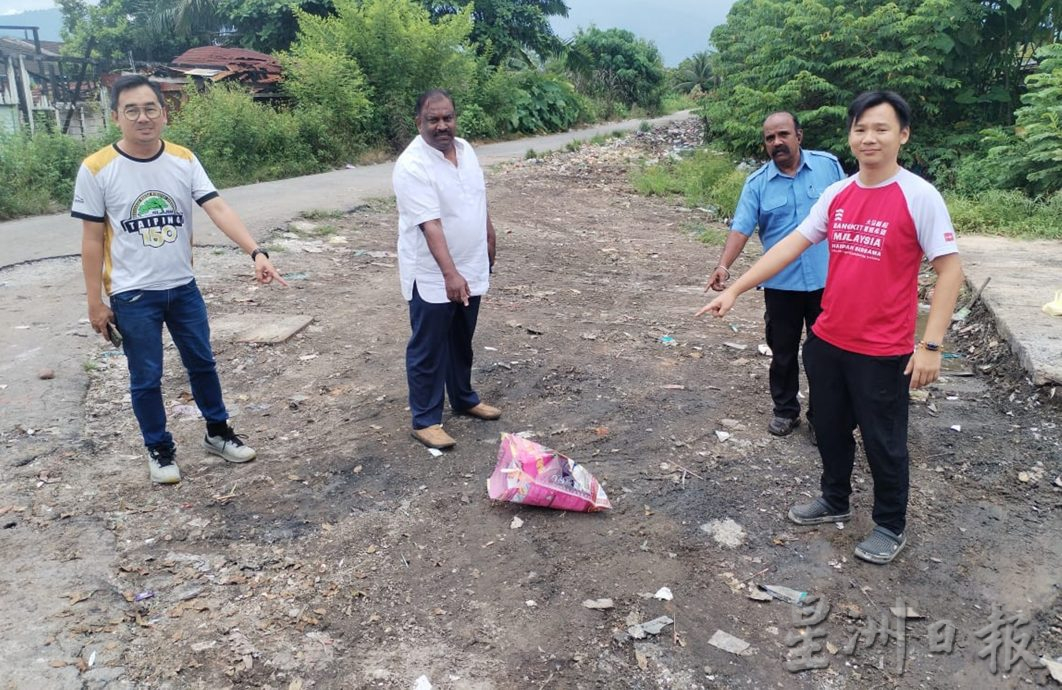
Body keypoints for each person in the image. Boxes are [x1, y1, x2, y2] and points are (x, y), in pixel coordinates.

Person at [697, 91, 963, 564]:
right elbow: (790, 246)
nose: (869, 138)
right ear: (850, 135)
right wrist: (735, 288)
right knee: (831, 429)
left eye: (881, 129)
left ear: (902, 134)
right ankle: (834, 500)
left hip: (883, 349)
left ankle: (889, 524)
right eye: (861, 128)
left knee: (884, 441)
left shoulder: (919, 195)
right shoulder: (837, 193)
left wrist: (931, 345)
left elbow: (950, 271)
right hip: (828, 339)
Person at [73, 74, 286, 485]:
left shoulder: (184, 160)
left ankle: (218, 433)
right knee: (146, 376)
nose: (142, 117)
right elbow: (90, 239)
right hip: (133, 294)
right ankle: (159, 448)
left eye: (150, 108)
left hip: (182, 286)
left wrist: (256, 251)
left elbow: (217, 208)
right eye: (131, 110)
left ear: (164, 114)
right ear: (116, 116)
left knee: (202, 362)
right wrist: (95, 301)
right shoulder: (97, 168)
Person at [707, 112, 845, 440]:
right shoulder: (757, 183)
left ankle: (821, 416)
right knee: (782, 352)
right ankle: (785, 411)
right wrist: (724, 266)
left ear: (799, 135)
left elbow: (852, 209)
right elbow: (741, 227)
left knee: (826, 354)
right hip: (781, 285)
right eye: (770, 138)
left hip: (829, 283)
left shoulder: (829, 167)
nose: (777, 142)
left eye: (783, 134)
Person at [392, 89, 500, 450]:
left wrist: (489, 237)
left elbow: (478, 199)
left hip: (472, 262)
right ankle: (425, 419)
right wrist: (450, 275)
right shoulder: (412, 166)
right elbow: (430, 225)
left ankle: (464, 398)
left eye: (447, 118)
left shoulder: (466, 151)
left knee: (460, 339)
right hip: (433, 272)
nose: (442, 126)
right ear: (418, 122)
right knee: (429, 346)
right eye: (433, 120)